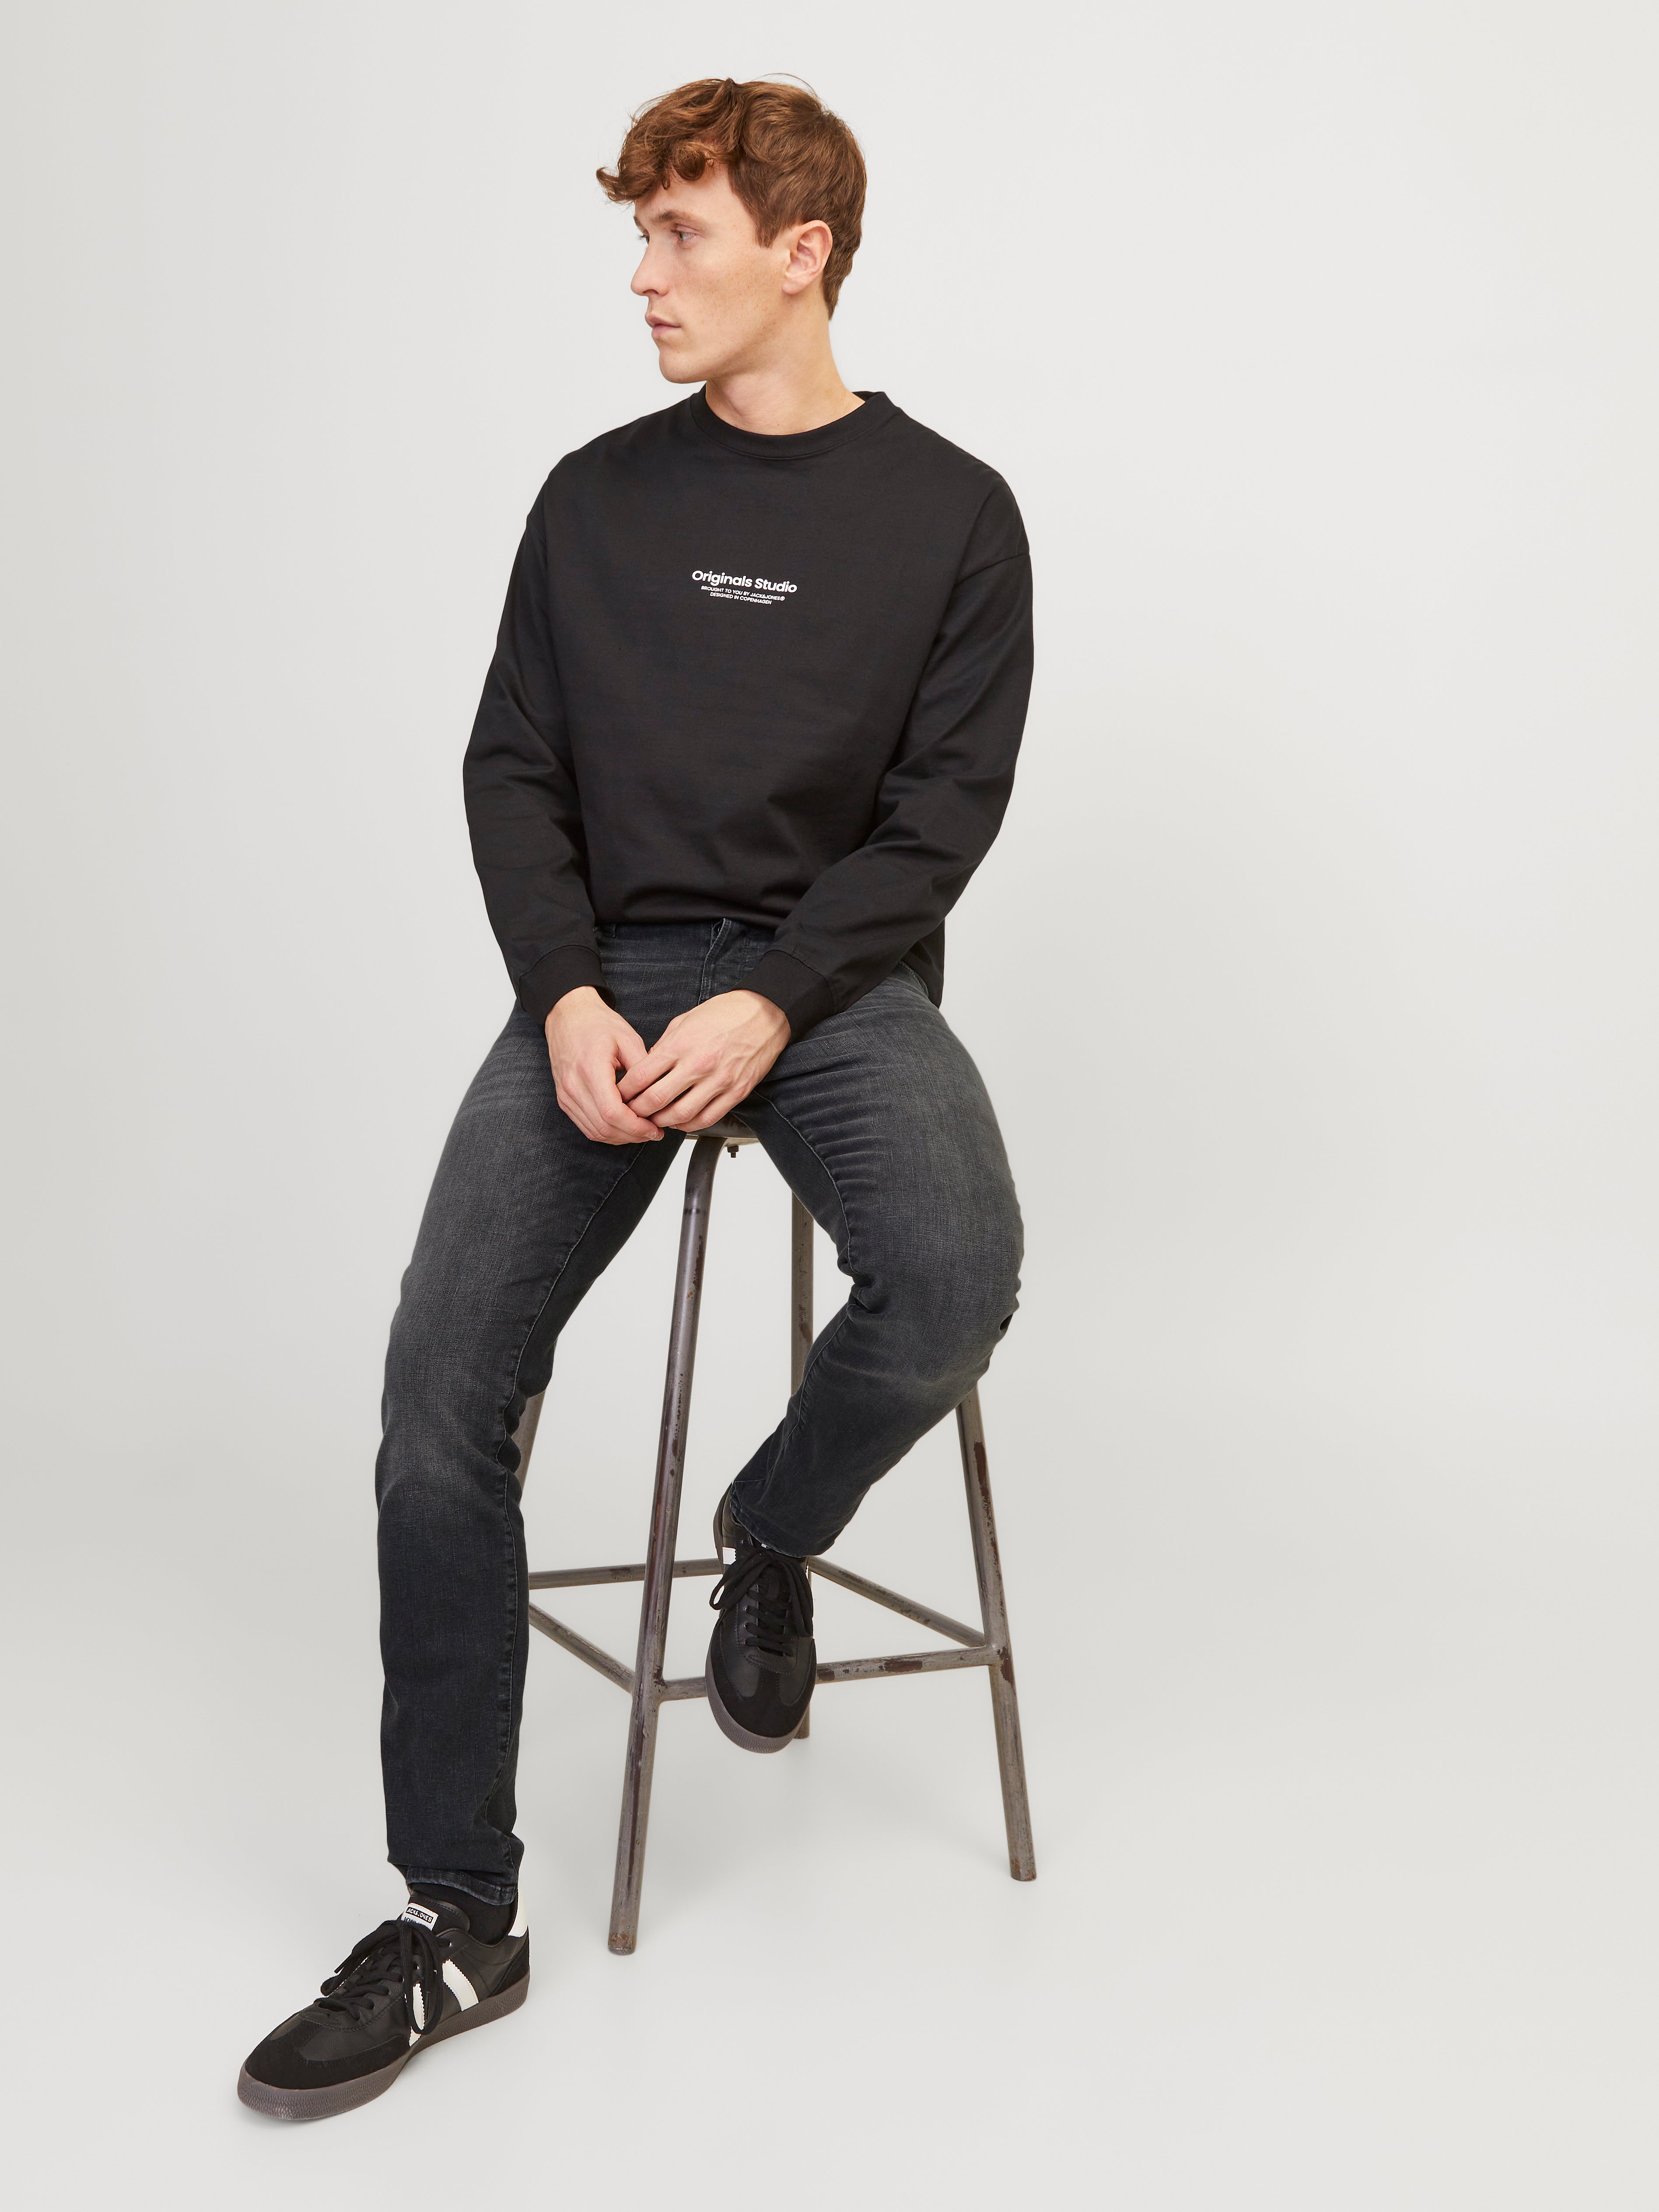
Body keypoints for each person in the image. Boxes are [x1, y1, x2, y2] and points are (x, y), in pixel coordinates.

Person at [238, 74, 1032, 2120]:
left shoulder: (953, 513)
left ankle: (769, 1532)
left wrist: (777, 998)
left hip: (833, 988)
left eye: (681, 235)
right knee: (441, 1390)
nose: (645, 276)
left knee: (957, 1272)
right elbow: (514, 767)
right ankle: (457, 1917)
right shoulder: (593, 500)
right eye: (643, 234)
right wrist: (567, 992)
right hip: (604, 982)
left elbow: (940, 820)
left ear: (803, 253)